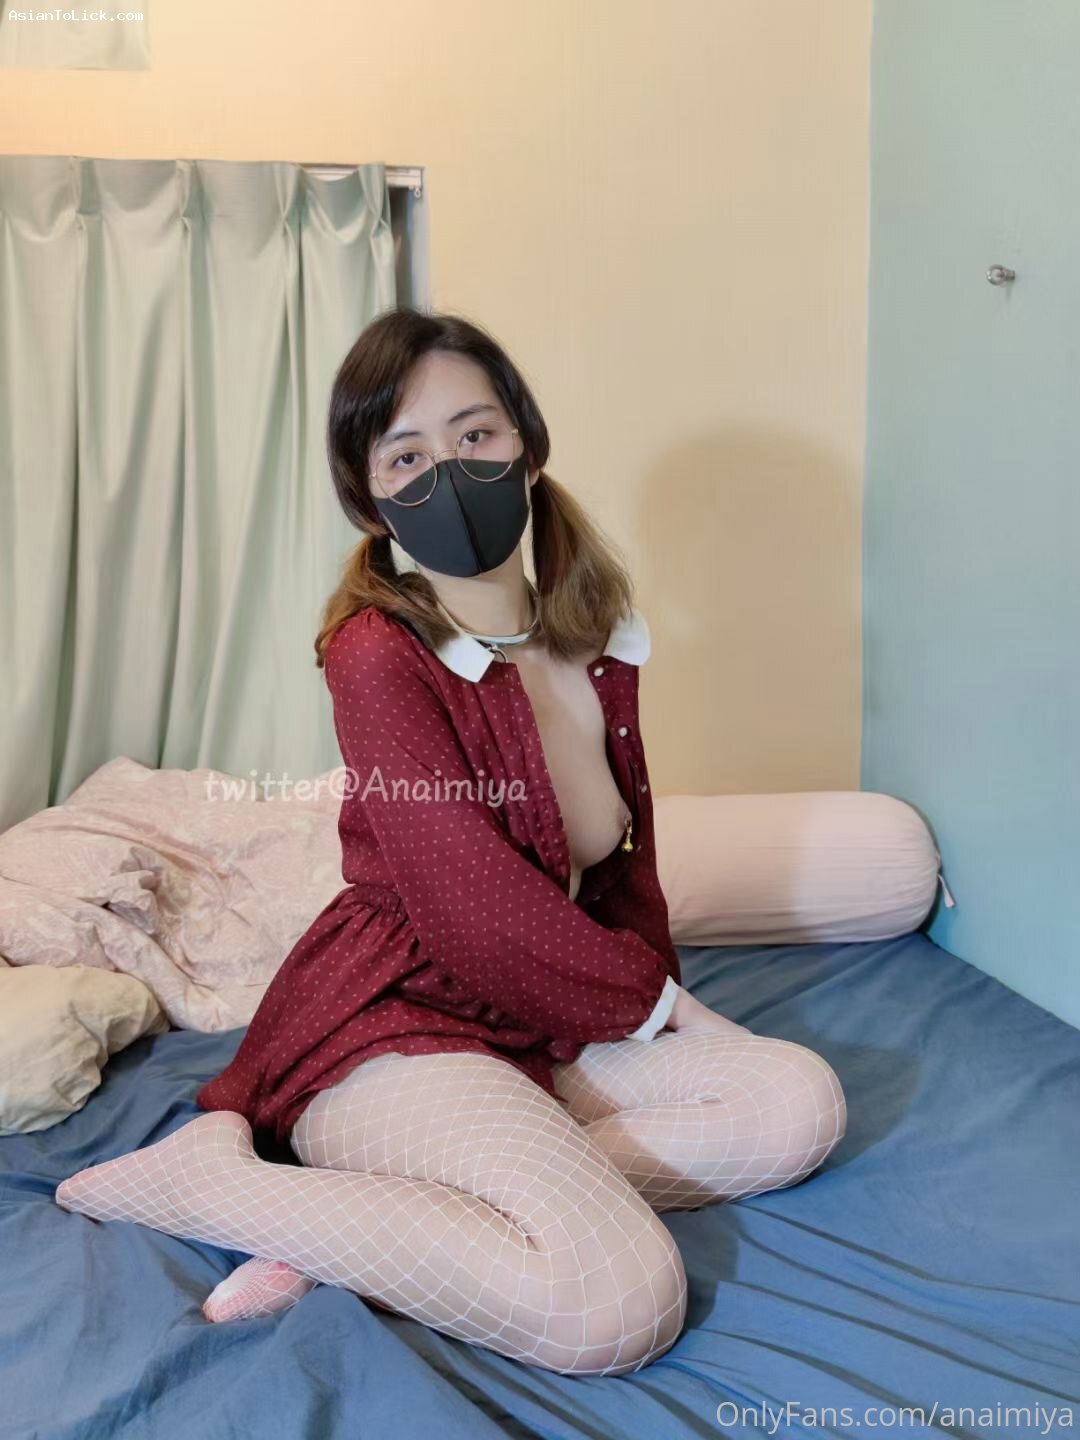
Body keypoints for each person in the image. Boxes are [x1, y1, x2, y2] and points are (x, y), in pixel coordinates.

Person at [54, 307, 847, 1377]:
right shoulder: (378, 655)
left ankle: (378, 1222)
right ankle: (217, 1187)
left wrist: (648, 1001)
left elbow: (614, 873)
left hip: (542, 1013)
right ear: (368, 495)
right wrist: (665, 1008)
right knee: (617, 1304)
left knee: (797, 1102)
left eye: (475, 435)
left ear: (527, 443)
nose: (449, 473)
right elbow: (474, 910)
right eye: (407, 456)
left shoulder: (593, 638)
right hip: (404, 1021)